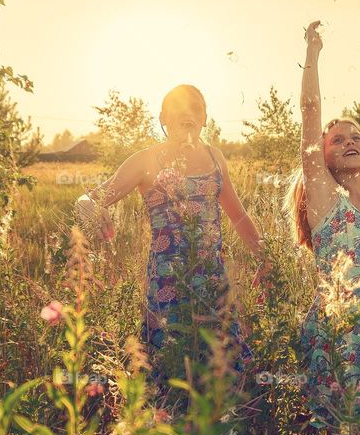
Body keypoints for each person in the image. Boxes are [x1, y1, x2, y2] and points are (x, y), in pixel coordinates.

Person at [76, 84, 262, 375]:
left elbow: (238, 216)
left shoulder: (216, 158)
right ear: (163, 117)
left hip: (212, 281)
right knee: (171, 368)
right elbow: (90, 198)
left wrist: (265, 257)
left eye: (195, 108)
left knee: (226, 369)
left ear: (204, 118)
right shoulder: (145, 160)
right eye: (177, 107)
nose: (187, 113)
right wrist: (87, 205)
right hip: (168, 285)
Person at [285, 20, 360, 432]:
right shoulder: (326, 199)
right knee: (330, 431)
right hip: (334, 332)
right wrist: (313, 53)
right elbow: (309, 111)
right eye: (337, 139)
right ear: (323, 155)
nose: (350, 141)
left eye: (357, 137)